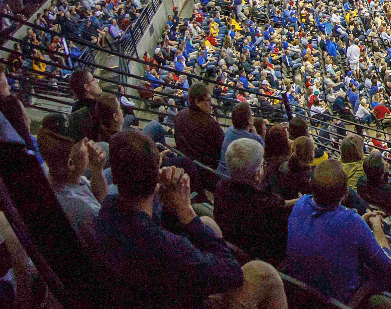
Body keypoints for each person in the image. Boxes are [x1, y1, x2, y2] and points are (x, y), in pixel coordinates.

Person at [94, 130, 287, 309]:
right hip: (175, 299)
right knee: (264, 272)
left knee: (207, 223)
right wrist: (185, 210)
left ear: (116, 176)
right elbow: (232, 273)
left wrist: (168, 206)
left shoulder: (109, 208)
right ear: (156, 174)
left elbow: (151, 225)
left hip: (143, 289)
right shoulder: (165, 245)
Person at [283, 159, 391, 303]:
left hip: (305, 292)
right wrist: (376, 226)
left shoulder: (300, 203)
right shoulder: (351, 221)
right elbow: (385, 263)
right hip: (342, 300)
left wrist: (361, 223)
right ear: (345, 192)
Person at [213, 138, 293, 264]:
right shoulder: (269, 207)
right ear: (257, 175)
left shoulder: (221, 188)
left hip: (234, 254)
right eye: (262, 165)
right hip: (265, 263)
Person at [37, 129, 106, 247]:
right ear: (71, 164)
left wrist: (97, 169)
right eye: (83, 143)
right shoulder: (88, 212)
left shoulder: (47, 170)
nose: (89, 143)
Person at [174, 82, 225, 168]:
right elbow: (223, 149)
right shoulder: (210, 124)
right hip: (207, 172)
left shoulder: (179, 115)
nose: (211, 104)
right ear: (197, 102)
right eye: (208, 100)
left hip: (185, 166)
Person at [217, 102, 264, 177]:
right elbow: (262, 149)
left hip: (220, 176)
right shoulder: (255, 139)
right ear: (249, 121)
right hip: (233, 181)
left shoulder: (229, 130)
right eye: (251, 115)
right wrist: (256, 134)